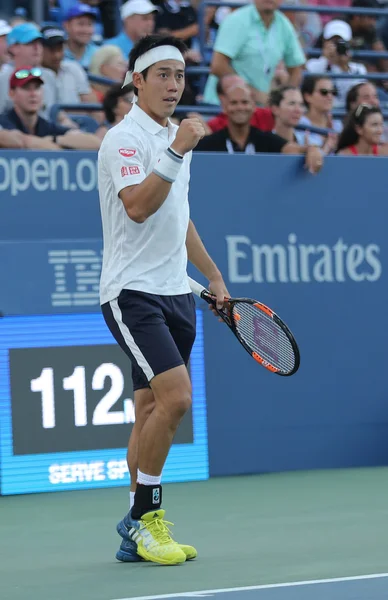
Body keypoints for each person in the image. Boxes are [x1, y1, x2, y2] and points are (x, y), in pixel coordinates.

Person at [98, 33, 229, 565]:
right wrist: (176, 150)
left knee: (150, 408)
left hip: (178, 293)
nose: (174, 85)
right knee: (176, 400)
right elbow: (138, 207)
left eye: (180, 75)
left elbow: (179, 217)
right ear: (137, 81)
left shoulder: (178, 138)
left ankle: (135, 532)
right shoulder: (122, 140)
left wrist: (214, 279)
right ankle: (144, 518)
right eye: (162, 75)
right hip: (132, 294)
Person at [195, 80, 324, 173]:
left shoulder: (265, 139)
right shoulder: (210, 142)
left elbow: (292, 149)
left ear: (253, 107)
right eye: (234, 103)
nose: (240, 107)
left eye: (245, 102)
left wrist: (311, 149)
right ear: (224, 107)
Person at [203, 0, 305, 106]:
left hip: (257, 109)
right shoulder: (237, 20)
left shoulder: (283, 24)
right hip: (221, 106)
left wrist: (283, 100)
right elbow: (218, 66)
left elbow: (296, 69)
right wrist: (255, 94)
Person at [0, 66, 101, 150]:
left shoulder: (45, 125)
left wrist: (54, 140)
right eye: (26, 88)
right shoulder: (4, 121)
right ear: (11, 94)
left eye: (37, 88)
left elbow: (95, 143)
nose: (33, 94)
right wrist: (54, 147)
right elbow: (20, 141)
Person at [306, 20, 367, 107]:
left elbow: (356, 98)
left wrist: (344, 67)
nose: (337, 46)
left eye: (341, 42)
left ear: (349, 44)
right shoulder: (312, 65)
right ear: (324, 42)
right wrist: (326, 60)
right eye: (333, 41)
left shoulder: (359, 69)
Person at [296, 75, 342, 152]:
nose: (330, 96)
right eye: (324, 92)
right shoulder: (298, 123)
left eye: (333, 92)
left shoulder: (338, 125)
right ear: (308, 96)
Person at [63, 3, 99, 69]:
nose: (85, 30)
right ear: (67, 25)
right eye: (81, 24)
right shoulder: (57, 53)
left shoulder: (99, 54)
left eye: (90, 24)